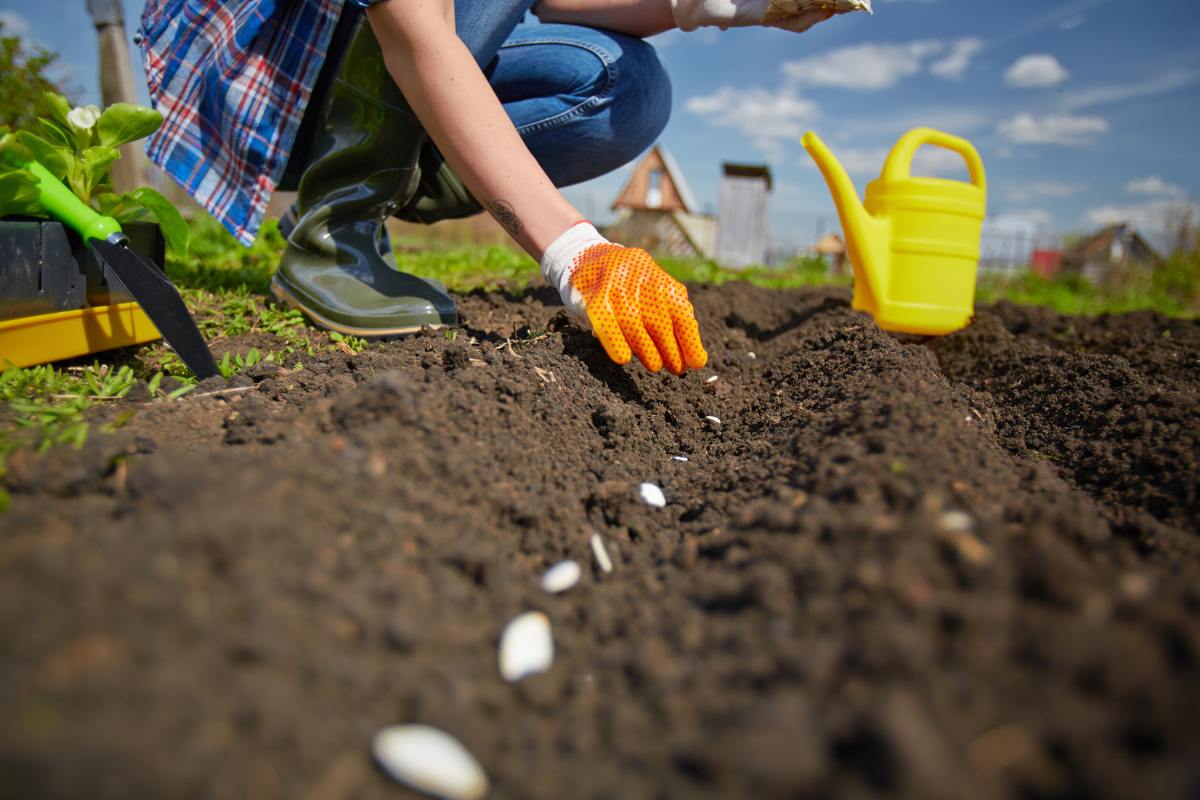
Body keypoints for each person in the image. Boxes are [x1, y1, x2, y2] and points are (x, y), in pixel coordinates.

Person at [139, 0, 868, 374]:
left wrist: (725, 5)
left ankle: (385, 184)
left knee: (628, 88)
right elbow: (413, 24)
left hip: (370, 62)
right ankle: (335, 231)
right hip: (271, 88)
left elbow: (560, 2)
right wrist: (574, 250)